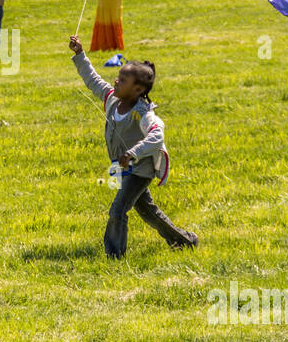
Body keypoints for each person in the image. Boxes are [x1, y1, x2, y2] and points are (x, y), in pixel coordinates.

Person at [68, 34, 197, 258]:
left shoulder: (143, 114)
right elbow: (93, 79)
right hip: (123, 169)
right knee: (148, 212)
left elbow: (157, 136)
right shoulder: (111, 99)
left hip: (140, 170)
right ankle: (184, 240)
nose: (116, 81)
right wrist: (80, 55)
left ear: (137, 90)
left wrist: (132, 153)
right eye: (118, 77)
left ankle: (114, 256)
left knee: (118, 210)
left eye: (123, 80)